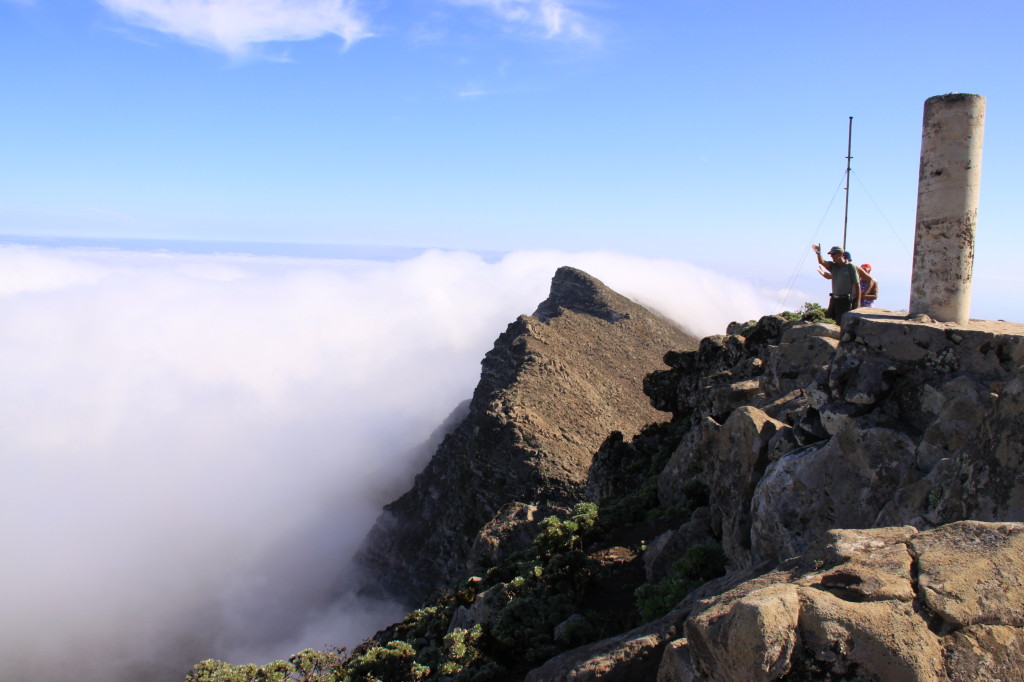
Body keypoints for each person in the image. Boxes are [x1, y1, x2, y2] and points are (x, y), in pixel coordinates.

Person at [812, 244, 865, 322]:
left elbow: (857, 285)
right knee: (829, 320)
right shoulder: (833, 266)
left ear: (841, 254)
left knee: (841, 322)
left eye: (833, 254)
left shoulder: (850, 267)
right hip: (834, 299)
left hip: (845, 301)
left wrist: (857, 303)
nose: (831, 256)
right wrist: (819, 253)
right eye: (831, 254)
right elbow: (822, 262)